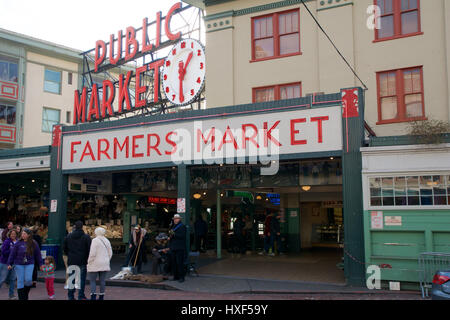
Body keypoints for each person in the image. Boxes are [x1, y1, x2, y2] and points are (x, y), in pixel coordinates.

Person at [7, 228, 42, 300]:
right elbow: (12, 254)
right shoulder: (18, 243)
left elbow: (38, 255)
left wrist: (41, 264)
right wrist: (9, 263)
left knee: (28, 280)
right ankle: (21, 298)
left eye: (24, 234)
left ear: (29, 235)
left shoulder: (34, 243)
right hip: (18, 264)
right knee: (20, 280)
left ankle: (25, 294)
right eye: (22, 233)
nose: (22, 235)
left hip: (29, 263)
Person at [63, 221, 91, 300]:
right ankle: (81, 295)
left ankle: (70, 296)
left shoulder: (68, 236)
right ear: (82, 227)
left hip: (71, 260)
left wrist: (69, 254)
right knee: (82, 279)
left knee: (71, 278)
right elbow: (89, 249)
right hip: (82, 260)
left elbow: (64, 249)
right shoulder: (86, 237)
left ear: (74, 227)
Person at [87, 227, 112, 300]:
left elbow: (92, 254)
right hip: (104, 263)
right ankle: (101, 296)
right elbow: (110, 252)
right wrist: (107, 259)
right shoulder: (107, 240)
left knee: (92, 280)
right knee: (102, 280)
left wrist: (89, 261)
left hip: (95, 263)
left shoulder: (95, 240)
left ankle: (93, 296)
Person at [168, 214, 187, 283]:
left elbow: (182, 236)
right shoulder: (173, 226)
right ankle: (176, 276)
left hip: (179, 247)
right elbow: (172, 235)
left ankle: (181, 277)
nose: (175, 220)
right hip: (173, 247)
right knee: (174, 263)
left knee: (180, 263)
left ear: (179, 219)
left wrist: (174, 234)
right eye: (174, 219)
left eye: (176, 219)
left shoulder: (182, 226)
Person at [0, 229, 18, 299]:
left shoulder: (18, 242)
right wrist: (12, 250)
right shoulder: (7, 241)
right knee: (2, 279)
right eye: (12, 234)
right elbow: (3, 252)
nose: (13, 235)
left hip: (14, 263)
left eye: (15, 234)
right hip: (5, 263)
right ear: (9, 234)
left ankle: (11, 295)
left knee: (13, 279)